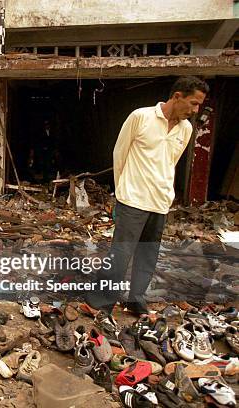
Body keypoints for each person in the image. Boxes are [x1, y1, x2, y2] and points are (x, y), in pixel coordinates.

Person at [86, 76, 208, 324]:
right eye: (193, 103)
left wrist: (165, 192)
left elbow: (170, 163)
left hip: (160, 202)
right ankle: (101, 303)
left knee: (147, 256)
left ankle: (136, 299)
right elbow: (119, 154)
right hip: (133, 199)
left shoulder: (185, 129)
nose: (196, 110)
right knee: (120, 255)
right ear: (177, 97)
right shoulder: (141, 117)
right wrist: (123, 190)